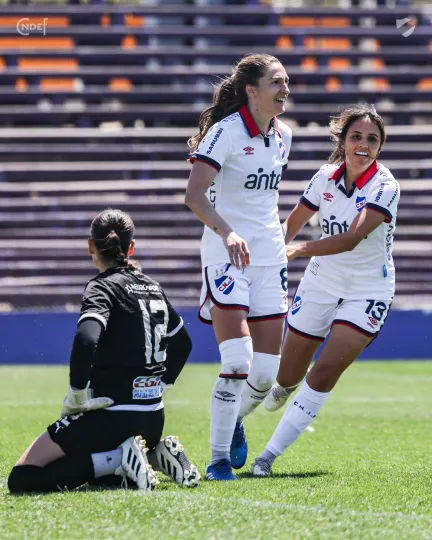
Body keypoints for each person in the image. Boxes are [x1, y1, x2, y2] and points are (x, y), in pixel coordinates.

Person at [250, 104, 400, 477]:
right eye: (356, 136)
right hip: (321, 282)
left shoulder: (385, 186)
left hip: (369, 289)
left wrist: (297, 250)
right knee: (288, 376)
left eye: (372, 139)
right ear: (343, 141)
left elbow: (350, 239)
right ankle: (281, 389)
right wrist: (270, 253)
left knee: (324, 371)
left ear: (380, 146)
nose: (363, 145)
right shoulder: (325, 177)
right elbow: (291, 225)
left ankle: (267, 457)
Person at [8, 208, 201, 493]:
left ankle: (120, 457)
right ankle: (152, 456)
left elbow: (86, 340)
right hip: (152, 420)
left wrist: (76, 394)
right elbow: (183, 343)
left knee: (23, 478)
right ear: (131, 247)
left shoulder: (101, 287)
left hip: (109, 417)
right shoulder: (152, 286)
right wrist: (161, 385)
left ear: (91, 246)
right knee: (102, 478)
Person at [185, 54, 292, 480]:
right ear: (252, 90)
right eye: (276, 82)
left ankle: (234, 421)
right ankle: (216, 462)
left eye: (286, 82)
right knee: (237, 361)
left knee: (264, 375)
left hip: (270, 258)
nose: (285, 89)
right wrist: (227, 233)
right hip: (226, 256)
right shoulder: (225, 133)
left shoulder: (284, 135)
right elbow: (194, 196)